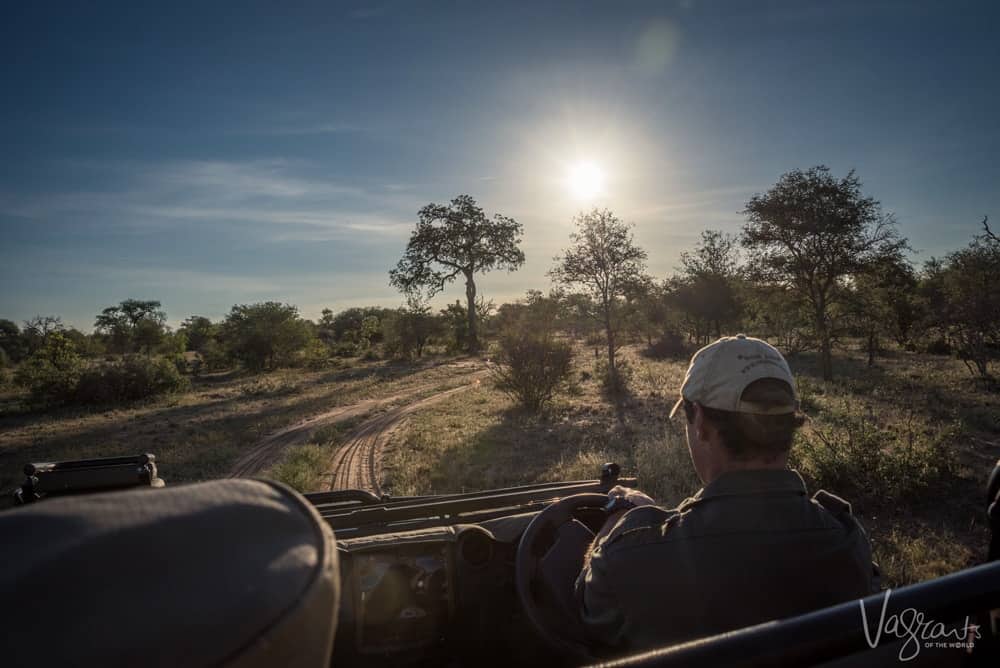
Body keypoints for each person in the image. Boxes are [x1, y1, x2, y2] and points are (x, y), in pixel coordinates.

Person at [576, 334, 878, 655]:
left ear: (701, 423)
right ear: (789, 423)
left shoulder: (632, 558)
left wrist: (621, 522)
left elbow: (588, 610)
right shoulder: (846, 541)